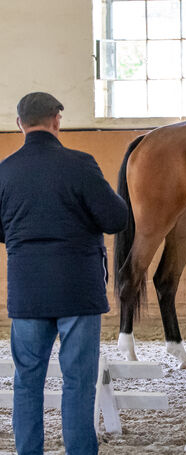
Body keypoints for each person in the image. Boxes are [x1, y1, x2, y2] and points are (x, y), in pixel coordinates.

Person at [0, 92, 128, 454]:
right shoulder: (80, 164)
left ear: (19, 124)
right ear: (57, 119)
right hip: (78, 290)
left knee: (26, 382)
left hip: (27, 291)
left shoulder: (4, 171)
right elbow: (116, 219)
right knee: (78, 382)